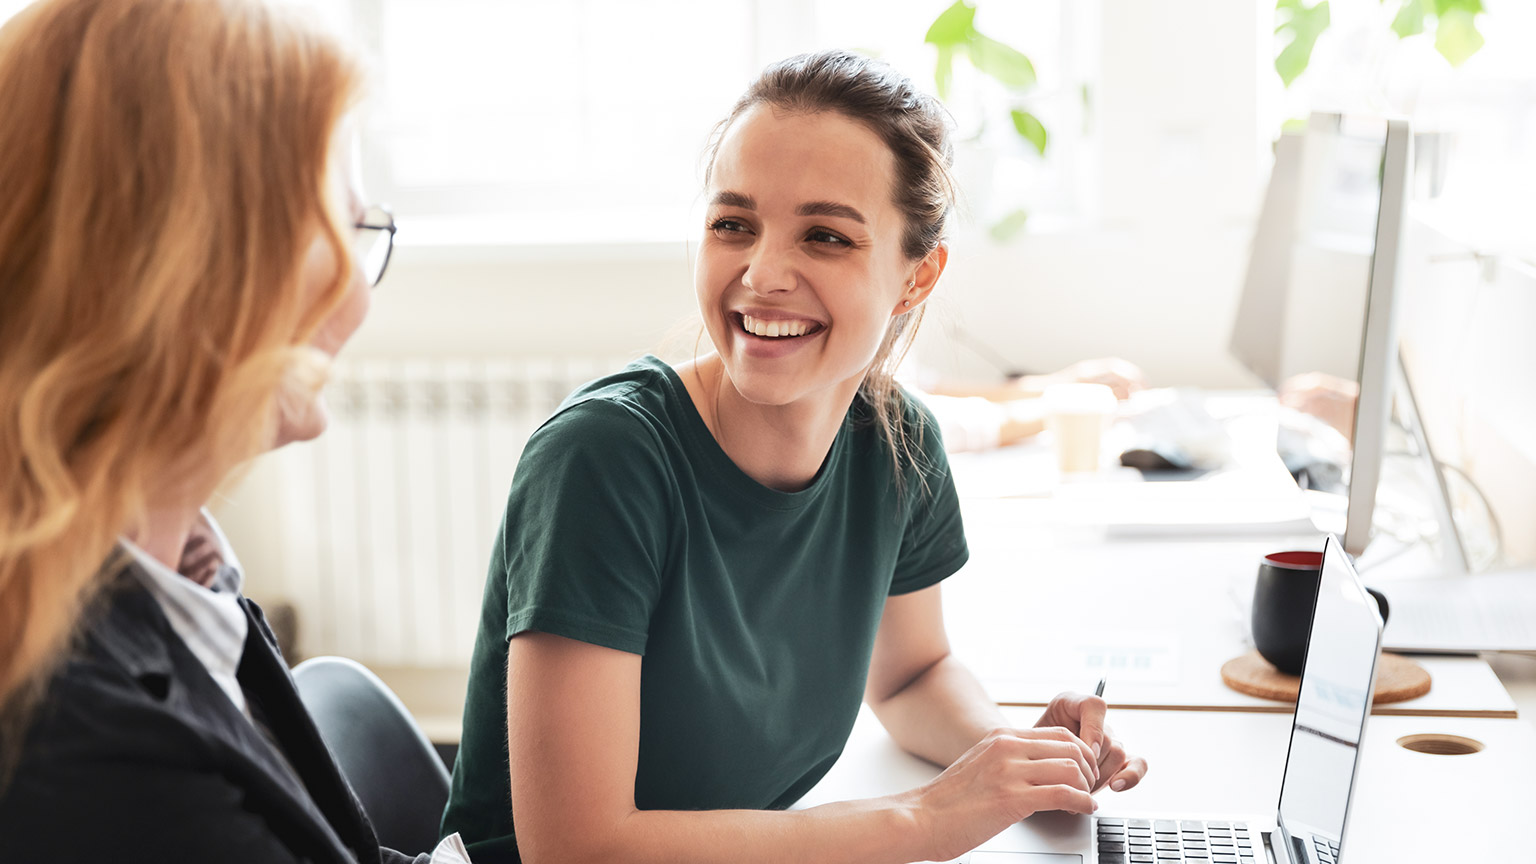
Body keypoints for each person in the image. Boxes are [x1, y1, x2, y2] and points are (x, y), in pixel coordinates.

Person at [441, 50, 1147, 864]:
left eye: (825, 236)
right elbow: (577, 848)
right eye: (732, 224)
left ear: (917, 276)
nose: (763, 273)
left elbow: (912, 677)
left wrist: (1014, 758)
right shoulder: (603, 460)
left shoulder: (897, 444)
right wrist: (921, 819)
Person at [0, 1, 460, 861]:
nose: (359, 297)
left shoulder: (166, 582)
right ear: (193, 262)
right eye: (339, 229)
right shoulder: (91, 754)